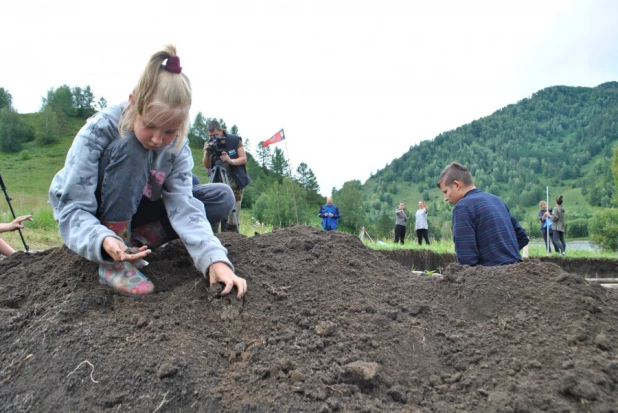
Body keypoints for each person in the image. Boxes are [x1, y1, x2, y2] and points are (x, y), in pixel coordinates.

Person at [49, 45, 246, 298]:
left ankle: (133, 244)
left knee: (221, 197)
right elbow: (72, 207)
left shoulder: (177, 147)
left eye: (169, 132)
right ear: (133, 105)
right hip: (95, 215)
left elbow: (184, 206)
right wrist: (102, 238)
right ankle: (113, 258)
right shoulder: (99, 130)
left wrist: (215, 260)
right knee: (134, 146)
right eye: (150, 126)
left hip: (138, 206)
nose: (156, 139)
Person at [437, 162, 529, 266]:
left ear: (457, 185)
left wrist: (488, 269)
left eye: (445, 192)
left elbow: (466, 260)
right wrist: (504, 257)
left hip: (490, 279)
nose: (445, 198)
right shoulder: (497, 200)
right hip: (517, 273)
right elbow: (522, 237)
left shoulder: (463, 207)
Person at [202, 120, 250, 233]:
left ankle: (233, 237)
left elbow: (244, 159)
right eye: (211, 136)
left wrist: (230, 160)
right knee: (217, 212)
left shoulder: (234, 140)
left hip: (234, 182)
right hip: (217, 182)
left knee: (232, 217)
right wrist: (206, 152)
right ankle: (214, 236)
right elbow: (206, 165)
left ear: (221, 130)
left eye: (215, 135)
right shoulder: (210, 143)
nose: (213, 138)